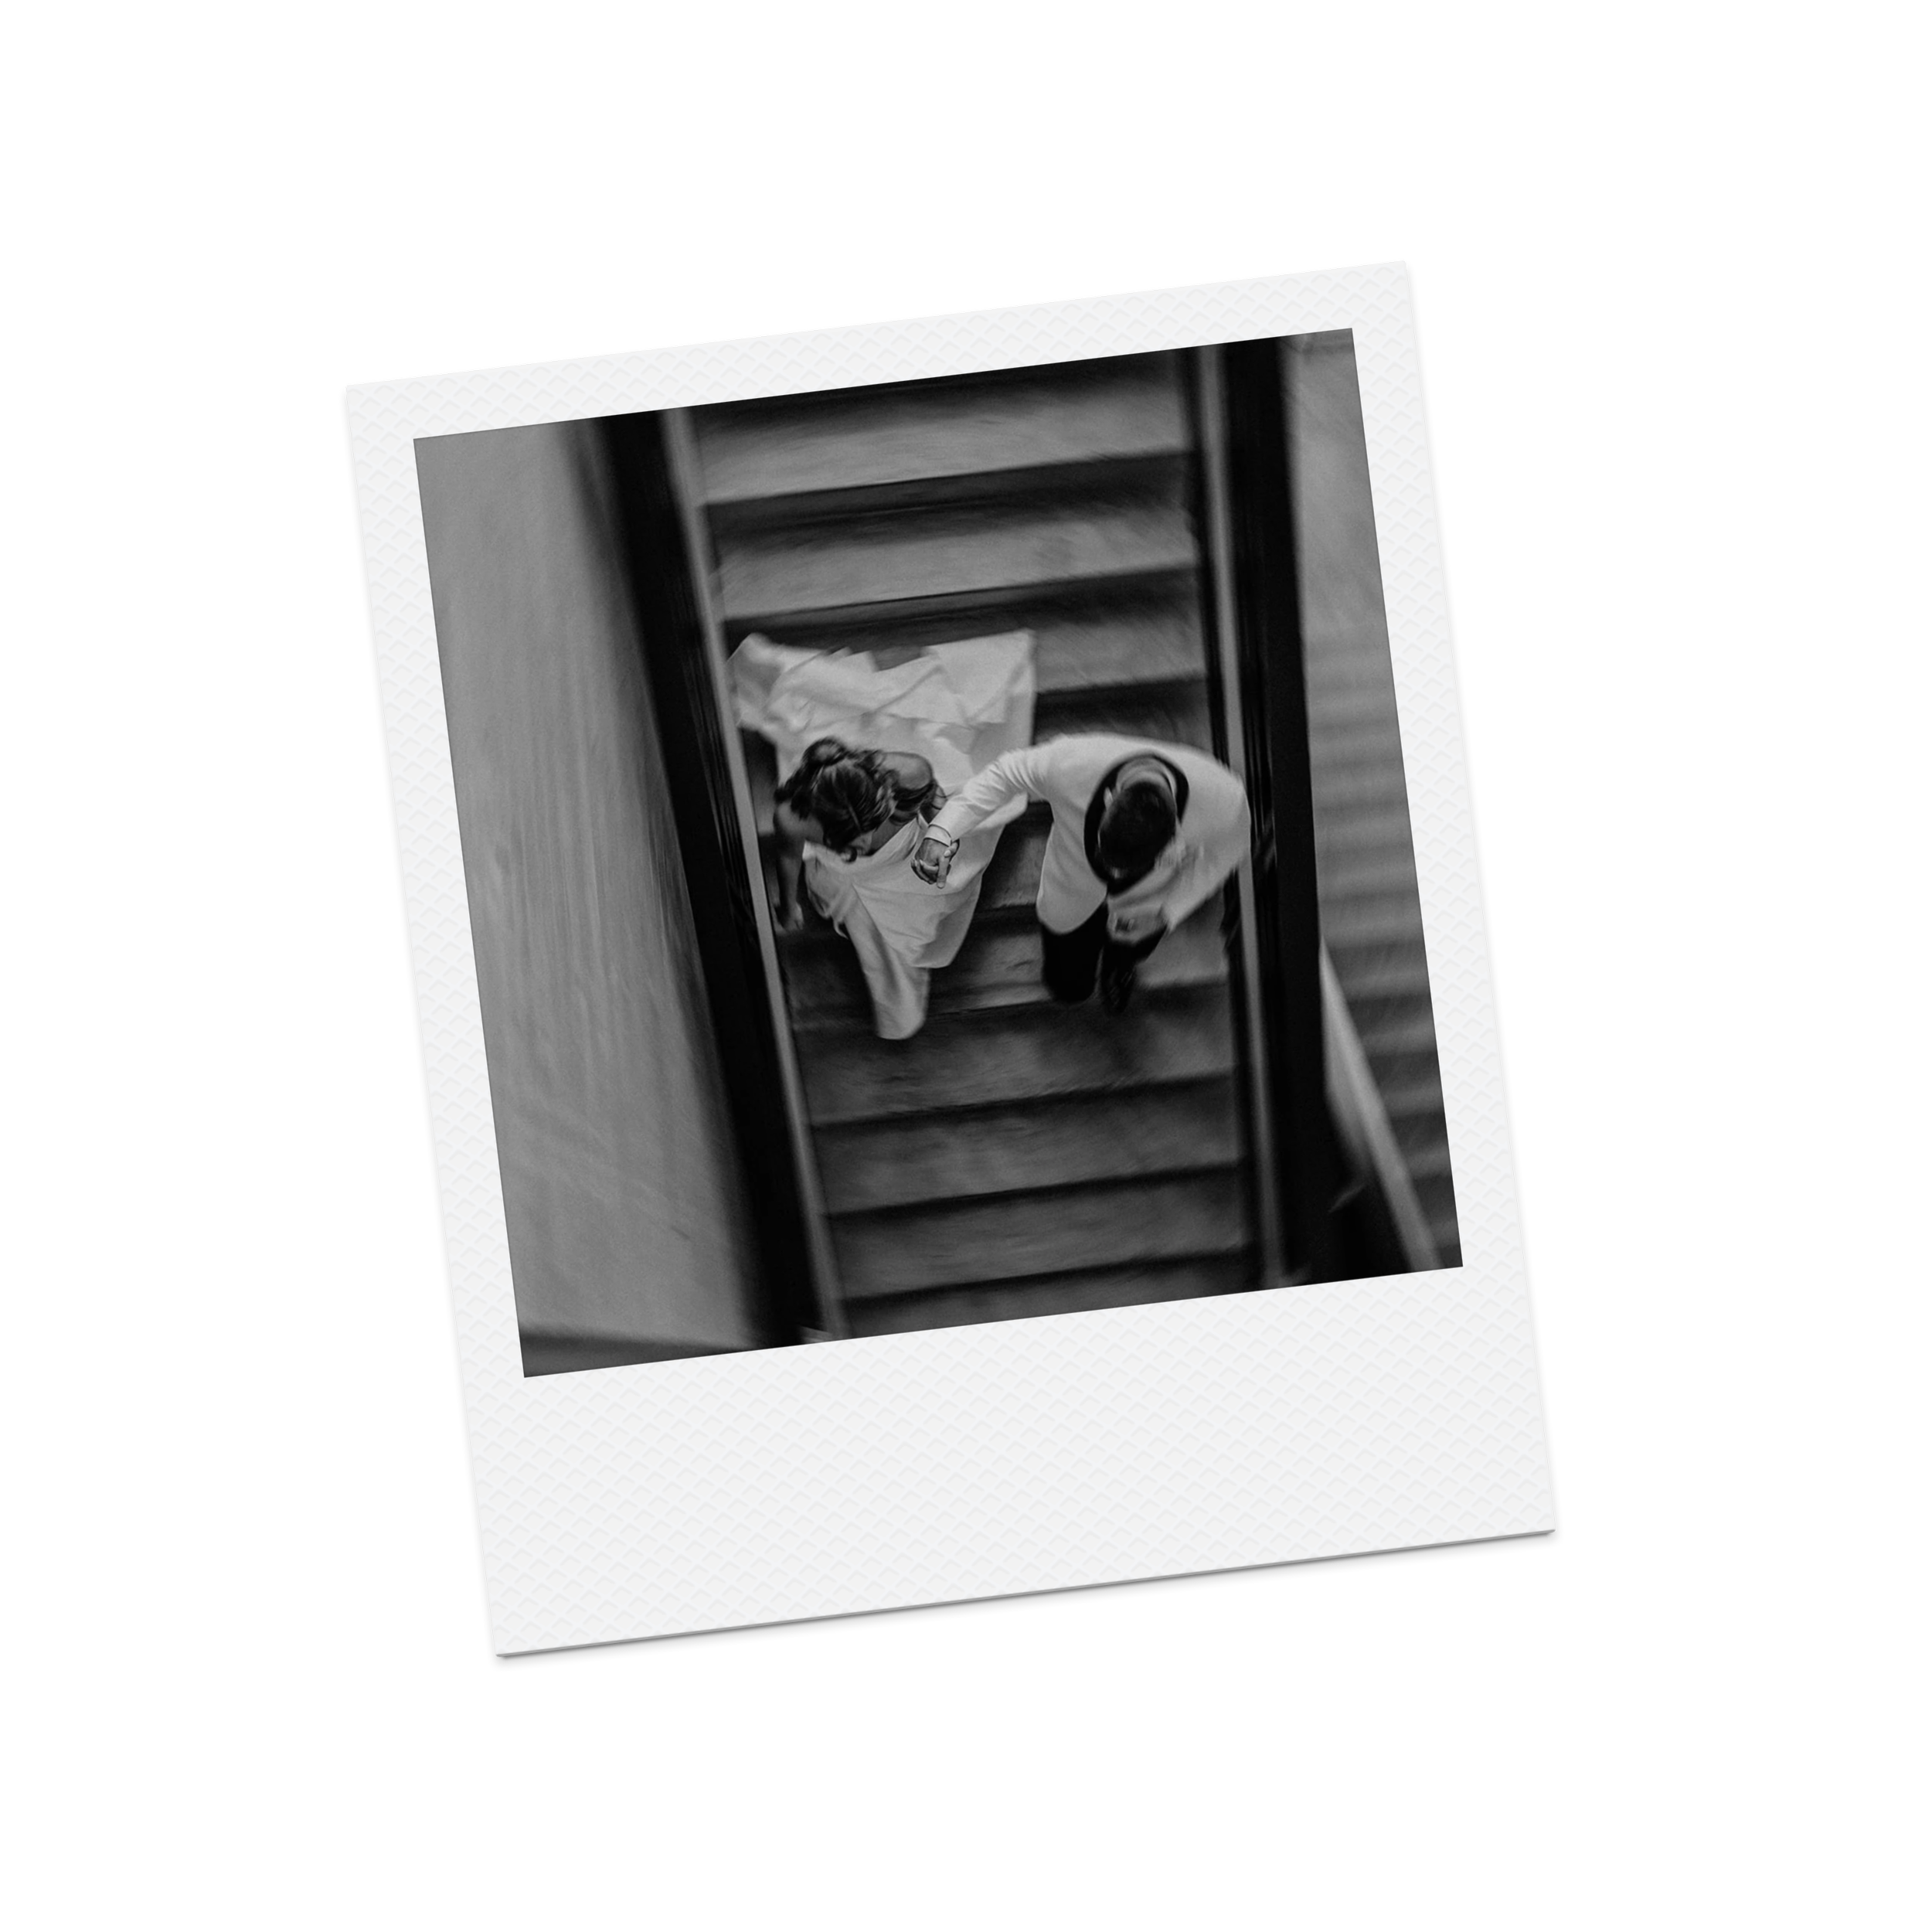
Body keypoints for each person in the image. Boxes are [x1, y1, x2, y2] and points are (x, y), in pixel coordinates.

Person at [731, 631, 1036, 1043]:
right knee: (870, 921)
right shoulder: (792, 816)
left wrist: (939, 844)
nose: (860, 843)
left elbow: (936, 803)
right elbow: (788, 858)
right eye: (852, 836)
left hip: (908, 855)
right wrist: (788, 904)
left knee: (926, 906)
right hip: (853, 877)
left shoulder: (907, 772)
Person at [911, 733, 1250, 1014]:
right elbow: (1005, 774)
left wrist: (1168, 913)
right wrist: (943, 830)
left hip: (1147, 905)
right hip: (1069, 897)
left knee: (1131, 952)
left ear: (1176, 829)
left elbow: (1229, 850)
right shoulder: (1071, 763)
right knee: (1068, 984)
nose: (1113, 872)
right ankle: (1073, 986)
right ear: (1110, 796)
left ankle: (1120, 968)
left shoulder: (1224, 801)